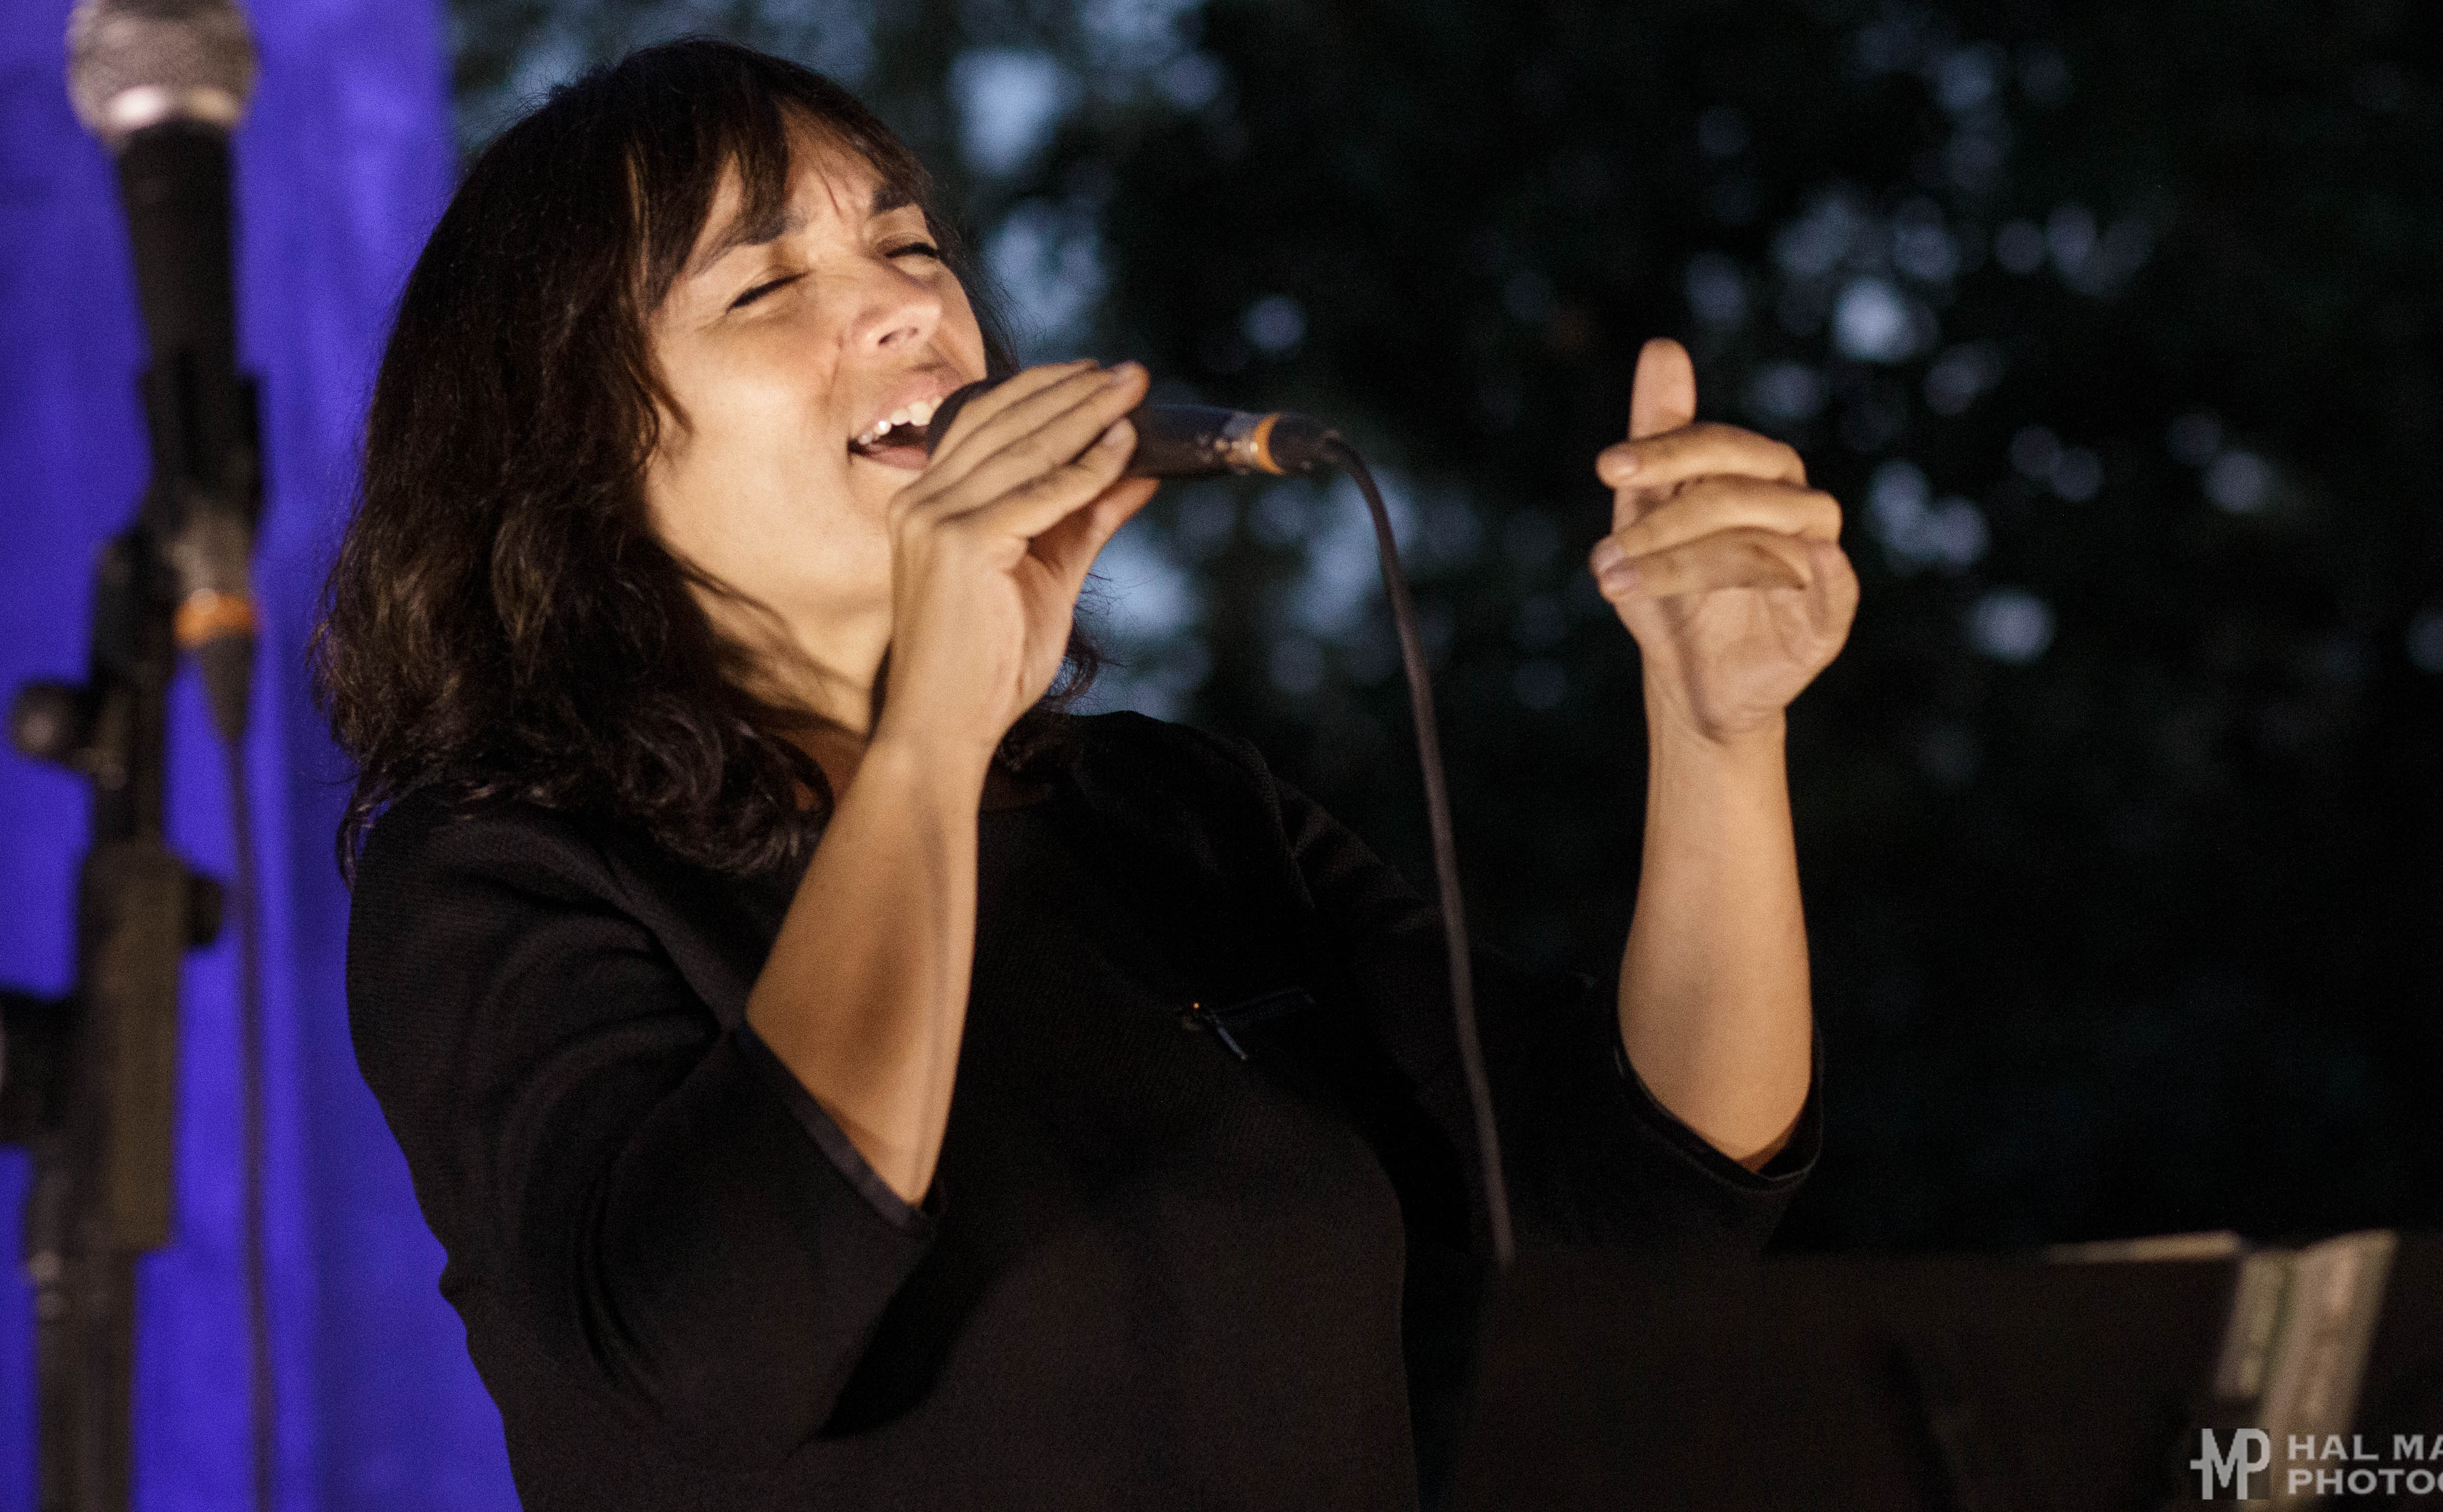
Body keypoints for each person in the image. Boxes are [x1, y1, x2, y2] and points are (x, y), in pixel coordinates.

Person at [317, 37, 1857, 1512]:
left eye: (911, 247)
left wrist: (1722, 734)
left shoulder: (1173, 818)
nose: (904, 307)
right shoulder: (500, 872)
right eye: (768, 283)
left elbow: (1644, 1211)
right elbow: (721, 1344)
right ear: (578, 454)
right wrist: (931, 728)